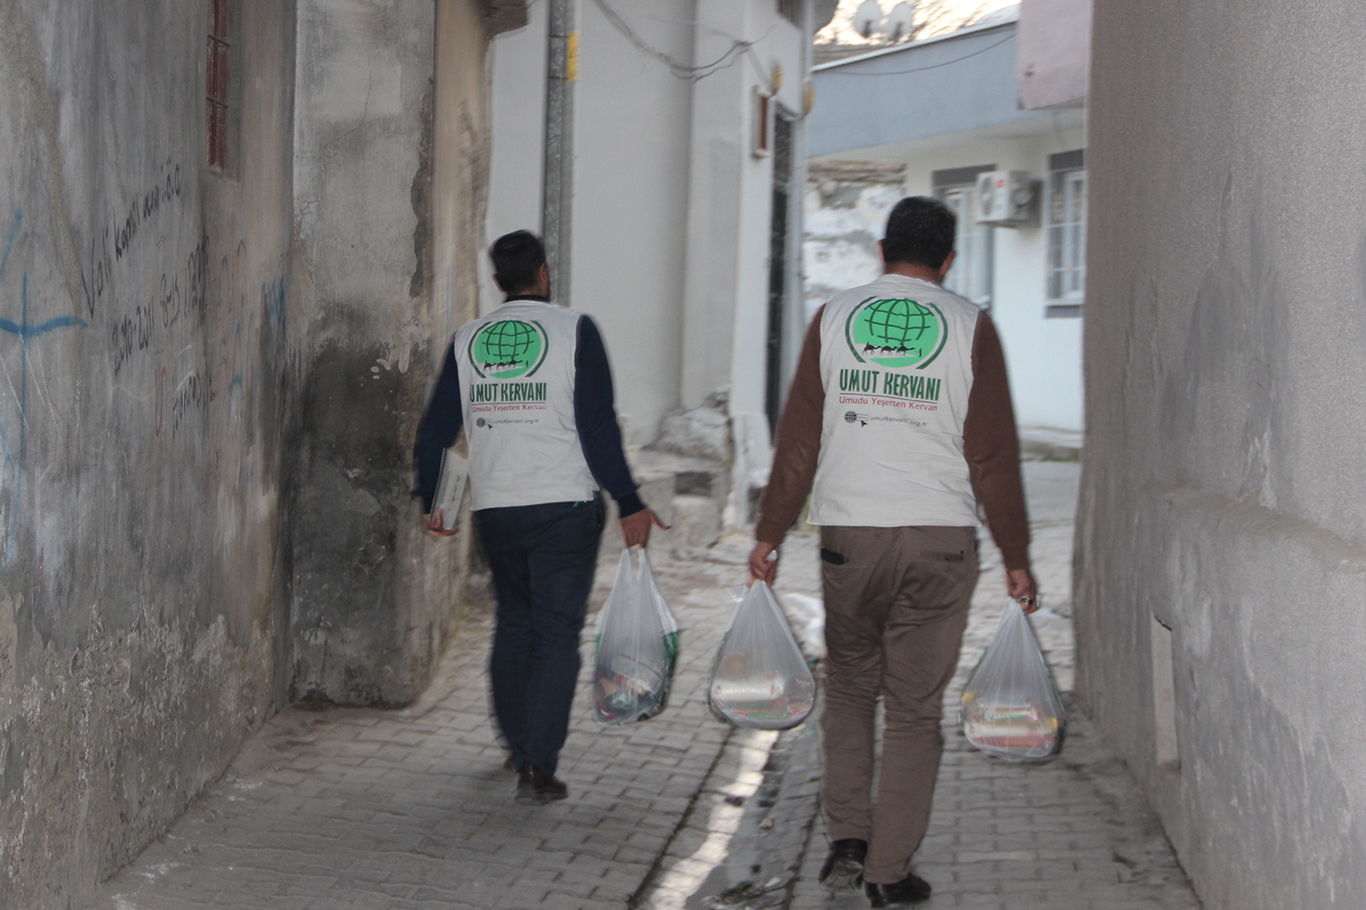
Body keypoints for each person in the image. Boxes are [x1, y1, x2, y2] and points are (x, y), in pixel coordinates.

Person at [747, 197, 1038, 907]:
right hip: (940, 542)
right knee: (913, 710)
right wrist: (1016, 554)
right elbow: (993, 455)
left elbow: (799, 443)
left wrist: (769, 534)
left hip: (851, 538)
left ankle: (847, 838)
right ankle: (888, 872)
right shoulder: (971, 326)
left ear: (881, 251)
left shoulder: (834, 317)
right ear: (948, 260)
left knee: (850, 686)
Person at [413, 230, 665, 803]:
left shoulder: (467, 340)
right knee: (555, 634)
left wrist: (434, 500)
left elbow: (434, 433)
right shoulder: (576, 331)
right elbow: (598, 428)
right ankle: (538, 760)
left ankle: (517, 742)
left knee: (513, 623)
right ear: (544, 273)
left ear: (497, 282)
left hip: (497, 510)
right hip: (565, 508)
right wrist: (629, 501)